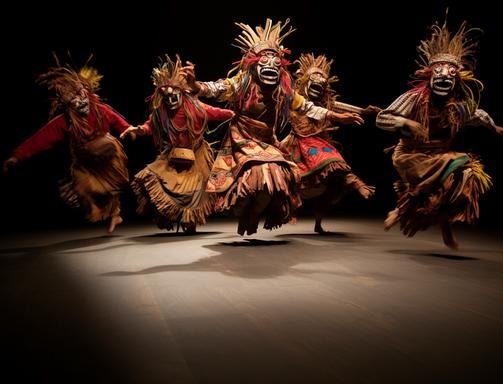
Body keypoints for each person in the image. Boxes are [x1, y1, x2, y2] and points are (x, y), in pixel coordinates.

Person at [182, 18, 364, 236]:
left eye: (275, 63)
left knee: (278, 178)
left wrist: (336, 116)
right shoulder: (243, 83)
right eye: (264, 62)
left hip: (268, 140)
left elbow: (307, 107)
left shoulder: (284, 90)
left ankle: (253, 215)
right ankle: (246, 213)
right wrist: (194, 85)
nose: (270, 66)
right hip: (243, 137)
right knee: (259, 173)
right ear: (253, 65)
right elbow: (216, 88)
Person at [376, 17, 503, 249]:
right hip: (410, 156)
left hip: (439, 157)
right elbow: (382, 118)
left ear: (457, 79)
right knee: (452, 167)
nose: (445, 76)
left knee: (461, 180)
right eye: (439, 71)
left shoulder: (458, 106)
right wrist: (405, 123)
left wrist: (494, 126)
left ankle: (445, 227)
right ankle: (401, 210)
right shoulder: (414, 99)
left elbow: (478, 115)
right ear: (430, 75)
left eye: (450, 72)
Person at [3, 57, 135, 233]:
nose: (77, 102)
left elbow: (117, 120)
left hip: (107, 154)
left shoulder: (100, 109)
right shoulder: (65, 121)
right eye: (71, 101)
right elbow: (41, 138)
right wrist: (17, 155)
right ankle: (110, 213)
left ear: (84, 92)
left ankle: (114, 213)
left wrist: (128, 129)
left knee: (111, 184)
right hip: (85, 161)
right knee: (82, 189)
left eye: (78, 96)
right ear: (66, 103)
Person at [120, 55, 234, 233]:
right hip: (173, 154)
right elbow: (149, 127)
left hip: (197, 154)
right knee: (153, 178)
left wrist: (240, 115)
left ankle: (190, 221)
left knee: (195, 190)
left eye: (175, 96)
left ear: (181, 92)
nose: (171, 100)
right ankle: (165, 215)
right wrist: (138, 130)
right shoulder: (160, 112)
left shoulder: (196, 108)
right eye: (166, 97)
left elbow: (220, 113)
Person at [280, 52, 380, 233]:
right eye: (314, 79)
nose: (318, 82)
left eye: (322, 81)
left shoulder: (326, 103)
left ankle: (353, 186)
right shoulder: (295, 99)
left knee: (332, 168)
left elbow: (341, 107)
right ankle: (290, 208)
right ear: (305, 81)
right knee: (286, 178)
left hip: (318, 142)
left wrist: (363, 111)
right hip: (297, 144)